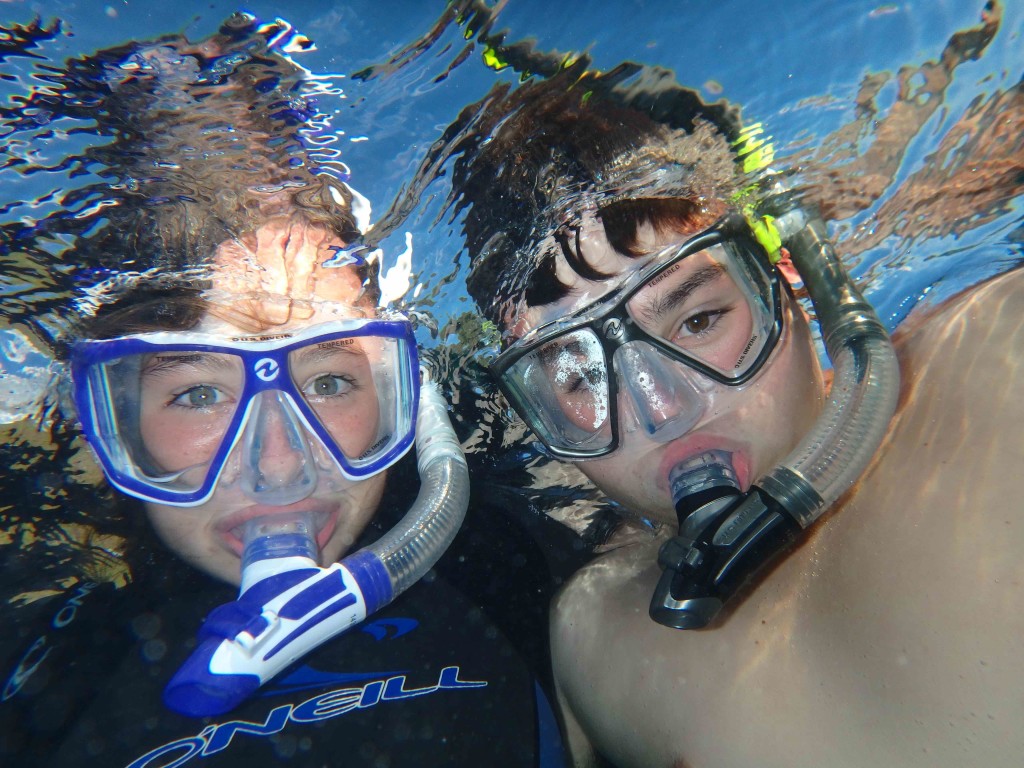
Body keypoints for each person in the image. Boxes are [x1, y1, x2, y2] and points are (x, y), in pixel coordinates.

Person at [447, 4, 1024, 766]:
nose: (665, 410)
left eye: (698, 320)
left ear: (791, 278)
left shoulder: (989, 371)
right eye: (582, 376)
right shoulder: (595, 638)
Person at [0, 15, 566, 767]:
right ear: (116, 425)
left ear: (409, 399)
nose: (280, 465)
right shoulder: (48, 667)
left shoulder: (516, 571)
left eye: (330, 381)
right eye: (199, 395)